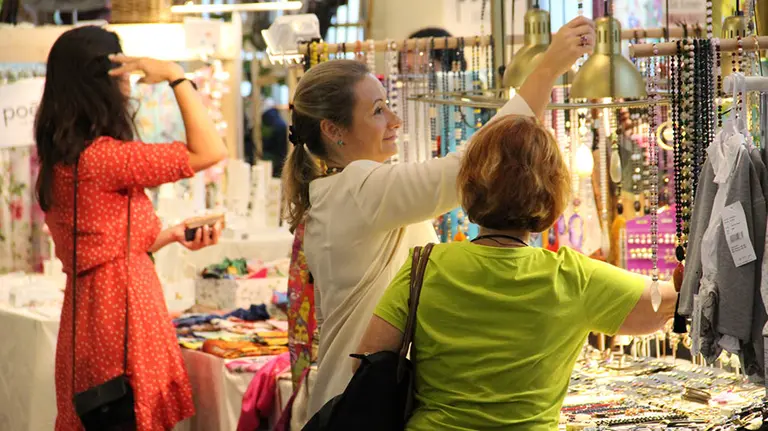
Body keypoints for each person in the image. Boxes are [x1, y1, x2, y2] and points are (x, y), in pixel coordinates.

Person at [281, 16, 597, 415]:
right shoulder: (358, 188)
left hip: (368, 395)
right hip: (366, 403)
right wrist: (548, 68)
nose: (394, 121)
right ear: (333, 129)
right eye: (378, 111)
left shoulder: (344, 190)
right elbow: (471, 163)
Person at [357, 115, 678, 430]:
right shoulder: (573, 276)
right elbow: (665, 304)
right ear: (552, 192)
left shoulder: (424, 265)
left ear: (469, 184)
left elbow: (368, 360)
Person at [35, 26, 227, 430]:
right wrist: (176, 75)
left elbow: (101, 246)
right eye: (122, 71)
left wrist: (172, 234)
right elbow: (209, 150)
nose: (128, 83)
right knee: (130, 415)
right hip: (122, 319)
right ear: (104, 81)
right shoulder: (105, 158)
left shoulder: (65, 158)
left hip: (91, 317)